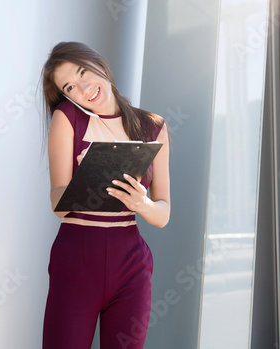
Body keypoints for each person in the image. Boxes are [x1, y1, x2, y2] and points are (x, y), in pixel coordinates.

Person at [40, 41, 170, 349]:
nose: (84, 88)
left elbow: (163, 213)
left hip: (131, 263)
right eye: (70, 86)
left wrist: (143, 204)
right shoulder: (67, 117)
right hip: (76, 259)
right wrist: (87, 180)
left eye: (84, 72)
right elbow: (57, 203)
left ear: (99, 64)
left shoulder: (152, 126)